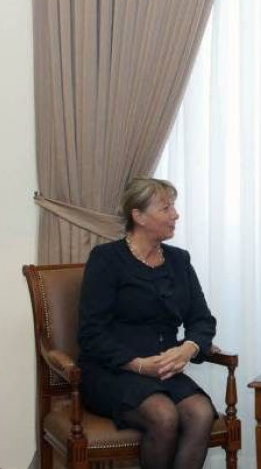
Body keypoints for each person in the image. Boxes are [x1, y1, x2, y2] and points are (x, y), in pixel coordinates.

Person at [78, 178, 218, 469]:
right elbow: (91, 332)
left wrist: (188, 349)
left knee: (201, 413)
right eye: (166, 208)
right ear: (138, 216)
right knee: (163, 415)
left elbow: (202, 319)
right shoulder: (106, 260)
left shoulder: (179, 261)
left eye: (173, 206)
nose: (175, 214)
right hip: (113, 370)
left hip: (162, 371)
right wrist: (138, 365)